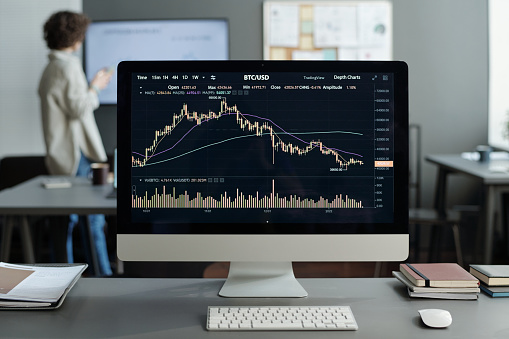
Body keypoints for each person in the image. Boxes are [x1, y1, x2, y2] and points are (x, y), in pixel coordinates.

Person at [38, 11, 113, 276]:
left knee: (65, 220)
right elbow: (79, 109)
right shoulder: (67, 66)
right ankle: (104, 276)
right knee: (92, 220)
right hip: (76, 156)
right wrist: (96, 86)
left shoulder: (51, 67)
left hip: (63, 155)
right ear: (77, 37)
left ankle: (63, 276)